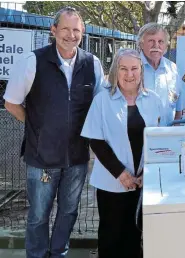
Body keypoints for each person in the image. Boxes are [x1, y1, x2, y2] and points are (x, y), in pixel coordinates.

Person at [3, 7, 105, 258]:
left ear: (83, 33)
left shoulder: (92, 64)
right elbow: (11, 102)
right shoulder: (32, 61)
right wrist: (36, 124)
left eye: (77, 30)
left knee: (69, 212)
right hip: (42, 158)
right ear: (53, 30)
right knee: (38, 215)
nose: (71, 35)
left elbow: (101, 104)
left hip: (78, 158)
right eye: (66, 29)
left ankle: (59, 252)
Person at [81, 48, 162, 258]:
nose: (129, 74)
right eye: (123, 68)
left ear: (141, 71)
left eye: (134, 68)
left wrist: (147, 173)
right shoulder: (102, 100)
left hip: (143, 181)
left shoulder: (153, 100)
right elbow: (96, 141)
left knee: (135, 236)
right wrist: (121, 173)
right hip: (112, 182)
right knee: (111, 237)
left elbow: (160, 140)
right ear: (116, 70)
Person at [137, 23, 181, 126]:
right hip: (137, 137)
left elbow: (178, 107)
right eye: (151, 41)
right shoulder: (131, 67)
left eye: (160, 41)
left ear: (166, 46)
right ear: (141, 44)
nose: (156, 45)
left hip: (167, 136)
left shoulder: (172, 68)